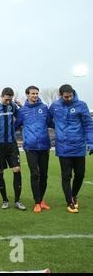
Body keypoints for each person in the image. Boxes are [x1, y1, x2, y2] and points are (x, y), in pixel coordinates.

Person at [49, 84, 93, 213]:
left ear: (73, 94)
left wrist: (91, 142)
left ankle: (74, 195)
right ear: (60, 95)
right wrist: (57, 126)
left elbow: (88, 125)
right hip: (63, 147)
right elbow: (48, 120)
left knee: (80, 175)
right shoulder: (55, 106)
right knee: (66, 176)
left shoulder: (81, 105)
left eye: (70, 96)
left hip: (78, 146)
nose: (68, 98)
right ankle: (70, 202)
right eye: (65, 97)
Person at [0, 87, 26, 211]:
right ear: (1, 96)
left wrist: (14, 127)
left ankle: (17, 201)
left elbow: (20, 116)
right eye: (6, 99)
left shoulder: (12, 106)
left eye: (10, 100)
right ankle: (5, 200)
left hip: (11, 144)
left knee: (17, 169)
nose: (8, 102)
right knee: (0, 171)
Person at [15, 86, 52, 213]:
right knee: (35, 174)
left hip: (44, 145)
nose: (35, 96)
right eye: (32, 94)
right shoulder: (22, 111)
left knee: (44, 175)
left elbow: (50, 122)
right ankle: (37, 202)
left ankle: (41, 200)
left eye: (36, 93)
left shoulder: (44, 108)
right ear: (27, 95)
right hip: (30, 147)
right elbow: (16, 126)